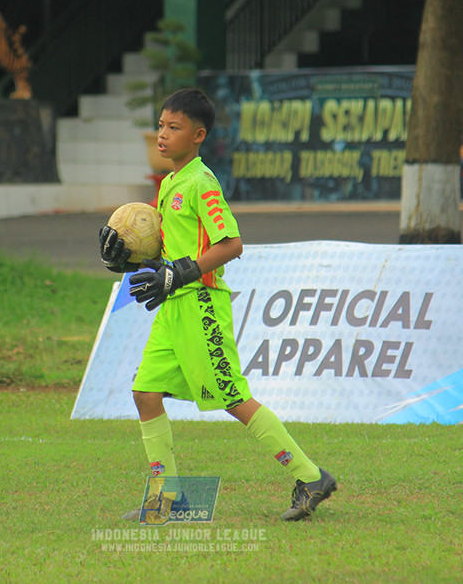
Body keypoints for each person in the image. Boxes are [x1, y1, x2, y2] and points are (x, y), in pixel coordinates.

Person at [98, 88, 336, 522]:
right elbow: (168, 251)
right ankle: (167, 499)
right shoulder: (169, 183)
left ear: (198, 135)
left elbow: (231, 244)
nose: (163, 135)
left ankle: (311, 475)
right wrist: (127, 260)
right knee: (145, 394)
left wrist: (181, 273)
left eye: (174, 127)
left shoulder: (201, 184)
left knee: (233, 398)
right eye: (160, 126)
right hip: (173, 309)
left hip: (201, 305)